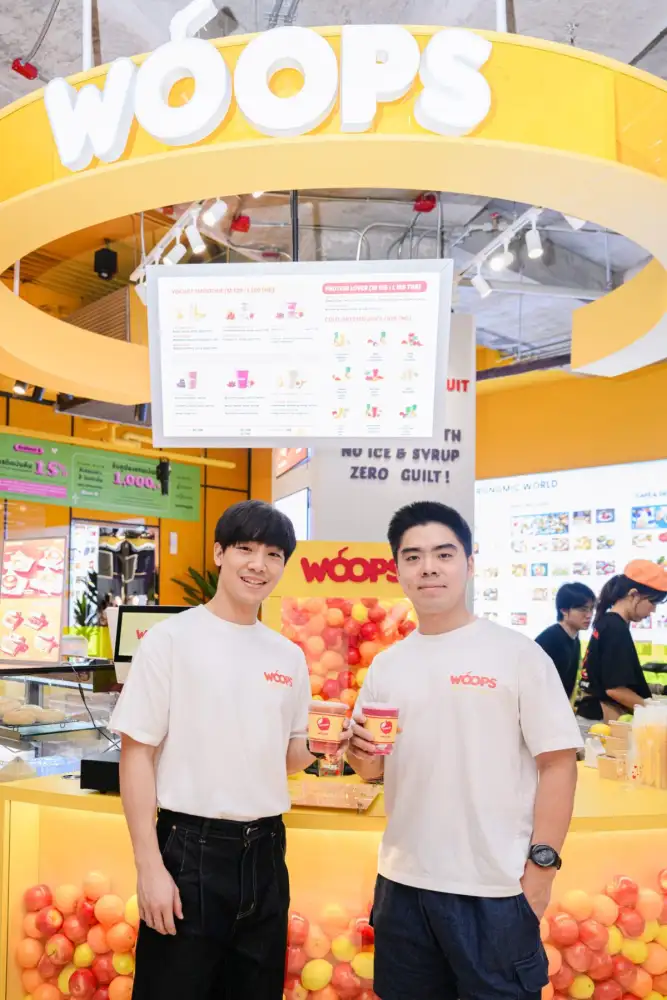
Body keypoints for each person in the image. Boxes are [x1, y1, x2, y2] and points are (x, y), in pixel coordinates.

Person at [347, 501, 582, 1000]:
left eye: (444, 554)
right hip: (402, 886)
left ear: (470, 563)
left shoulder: (517, 654)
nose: (428, 567)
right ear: (397, 570)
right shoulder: (387, 665)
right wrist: (358, 754)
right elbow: (372, 767)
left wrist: (541, 870)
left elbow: (559, 763)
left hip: (495, 889)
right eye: (412, 557)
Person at [111, 500, 332, 1000]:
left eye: (273, 555)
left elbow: (285, 758)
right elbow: (137, 753)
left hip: (267, 853)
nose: (259, 565)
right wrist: (149, 867)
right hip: (189, 850)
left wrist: (323, 744)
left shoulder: (288, 655)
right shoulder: (171, 640)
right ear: (218, 553)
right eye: (245, 549)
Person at [576, 560, 667, 723]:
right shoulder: (615, 628)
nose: (653, 610)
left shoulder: (609, 622)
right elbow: (615, 690)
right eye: (652, 602)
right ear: (633, 595)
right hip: (599, 720)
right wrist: (655, 712)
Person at [535, 582, 596, 699]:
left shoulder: (574, 638)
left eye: (591, 609)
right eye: (583, 609)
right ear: (564, 610)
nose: (589, 615)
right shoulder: (551, 639)